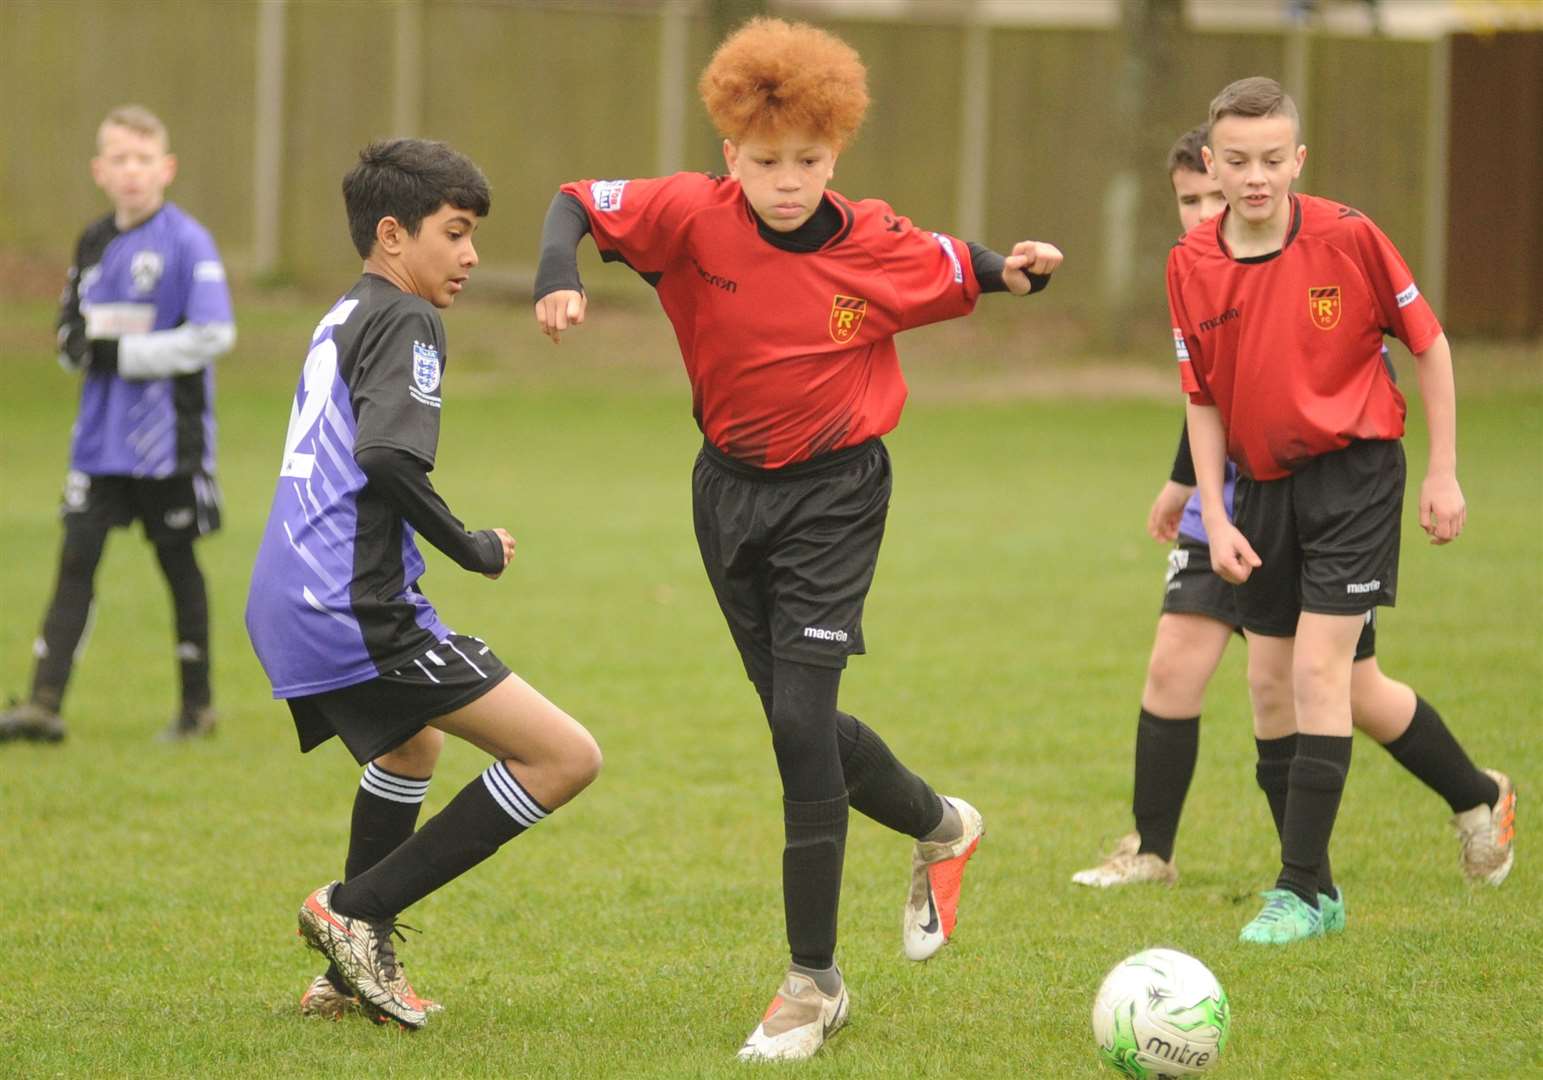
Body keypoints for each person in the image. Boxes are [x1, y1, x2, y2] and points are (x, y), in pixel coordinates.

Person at [532, 17, 1060, 1061]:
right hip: (724, 492)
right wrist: (562, 272)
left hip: (835, 493)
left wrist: (1019, 269)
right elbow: (574, 203)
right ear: (730, 153)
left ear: (837, 153)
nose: (787, 181)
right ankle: (942, 825)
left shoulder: (874, 242)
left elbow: (963, 263)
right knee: (792, 719)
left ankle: (810, 983)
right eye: (766, 162)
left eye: (808, 162)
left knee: (799, 722)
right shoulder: (689, 213)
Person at [1074, 126, 1515, 909]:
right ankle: (1167, 851)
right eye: (1194, 198)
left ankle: (1454, 804)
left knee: (1345, 686)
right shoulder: (1195, 269)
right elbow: (1208, 393)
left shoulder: (1329, 248)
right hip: (1237, 498)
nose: (1216, 204)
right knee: (1199, 667)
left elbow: (1300, 380)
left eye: (1243, 180)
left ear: (1289, 170)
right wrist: (1193, 493)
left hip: (1327, 485)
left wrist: (1441, 472)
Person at [244, 139, 601, 1028]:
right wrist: (470, 545)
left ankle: (345, 972)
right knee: (564, 757)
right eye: (456, 232)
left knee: (412, 749)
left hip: (291, 593)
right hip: (351, 604)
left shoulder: (344, 312)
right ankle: (352, 913)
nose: (472, 255)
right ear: (394, 235)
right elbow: (388, 459)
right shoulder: (408, 320)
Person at [0, 104, 235, 744]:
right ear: (100, 171)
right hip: (99, 440)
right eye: (119, 160)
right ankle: (43, 705)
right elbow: (72, 328)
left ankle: (197, 708)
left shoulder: (188, 242)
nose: (131, 172)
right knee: (76, 558)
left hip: (167, 444)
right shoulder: (94, 240)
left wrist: (125, 354)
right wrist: (74, 343)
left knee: (177, 564)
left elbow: (215, 333)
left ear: (167, 169)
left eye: (143, 159)